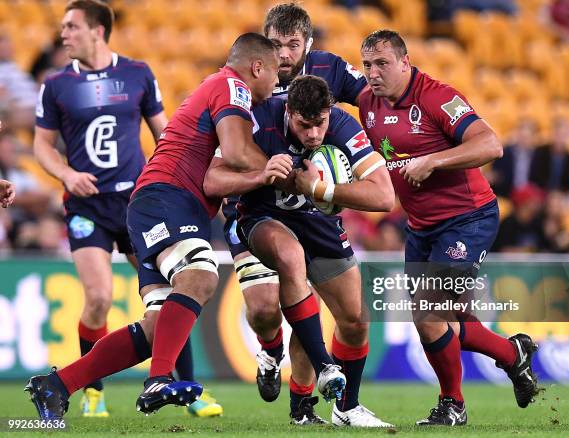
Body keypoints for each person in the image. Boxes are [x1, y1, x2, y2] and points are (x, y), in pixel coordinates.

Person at [25, 32, 290, 421]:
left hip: (152, 203)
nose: (278, 82)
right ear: (257, 67)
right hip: (167, 199)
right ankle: (159, 380)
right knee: (201, 275)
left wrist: (262, 176)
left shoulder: (219, 93)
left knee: (157, 327)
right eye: (276, 72)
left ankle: (56, 386)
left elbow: (215, 179)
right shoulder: (232, 87)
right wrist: (282, 169)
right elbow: (236, 153)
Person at [27, 0, 210, 418]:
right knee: (98, 298)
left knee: (173, 290)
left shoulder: (138, 73)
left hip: (135, 205)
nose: (64, 34)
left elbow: (166, 134)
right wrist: (67, 175)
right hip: (85, 205)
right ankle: (92, 390)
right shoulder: (55, 84)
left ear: (98, 30)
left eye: (72, 27)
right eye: (63, 27)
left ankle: (188, 389)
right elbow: (41, 145)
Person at [359, 30, 539, 426]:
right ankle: (513, 355)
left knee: (428, 313)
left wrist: (434, 161)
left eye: (383, 64)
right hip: (420, 227)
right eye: (367, 65)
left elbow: (491, 145)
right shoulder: (365, 102)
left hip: (468, 219)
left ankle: (453, 404)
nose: (373, 73)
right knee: (447, 317)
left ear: (405, 62)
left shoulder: (437, 96)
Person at [205, 75, 394, 427]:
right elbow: (211, 181)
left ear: (330, 113)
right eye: (304, 125)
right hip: (262, 215)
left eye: (319, 124)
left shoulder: (340, 123)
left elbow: (384, 197)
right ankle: (311, 364)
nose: (313, 135)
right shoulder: (257, 120)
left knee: (355, 320)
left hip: (316, 218)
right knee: (272, 296)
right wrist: (262, 174)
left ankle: (343, 409)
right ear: (288, 110)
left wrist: (323, 189)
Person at [220, 3, 368, 424]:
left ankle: (303, 407)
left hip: (310, 206)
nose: (283, 54)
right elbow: (222, 142)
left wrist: (384, 157)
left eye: (292, 44)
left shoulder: (330, 70)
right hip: (254, 206)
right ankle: (269, 352)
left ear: (309, 45)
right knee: (266, 310)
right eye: (276, 44)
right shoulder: (243, 77)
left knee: (316, 303)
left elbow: (375, 108)